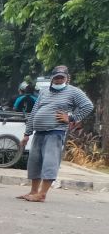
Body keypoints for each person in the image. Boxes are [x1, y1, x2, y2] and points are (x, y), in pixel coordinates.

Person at [19, 65, 93, 204]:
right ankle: (33, 191)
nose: (59, 80)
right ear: (52, 78)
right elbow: (34, 112)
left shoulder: (73, 92)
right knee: (35, 162)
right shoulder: (44, 91)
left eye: (61, 77)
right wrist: (27, 133)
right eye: (56, 77)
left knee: (49, 163)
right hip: (39, 132)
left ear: (67, 78)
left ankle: (42, 194)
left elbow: (88, 106)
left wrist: (71, 118)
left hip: (55, 132)